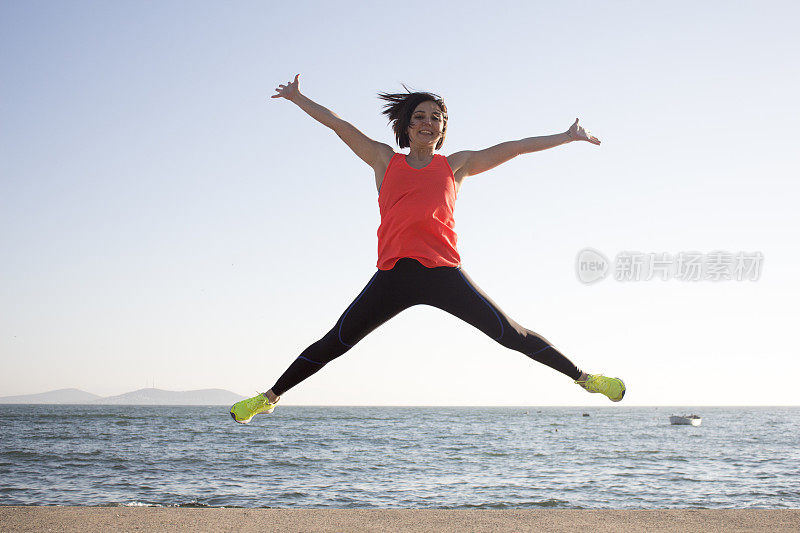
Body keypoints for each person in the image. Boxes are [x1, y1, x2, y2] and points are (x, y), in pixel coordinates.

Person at [230, 74, 624, 424]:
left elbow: (515, 146)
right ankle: (268, 399)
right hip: (393, 276)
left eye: (435, 117)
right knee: (336, 341)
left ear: (442, 128)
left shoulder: (456, 166)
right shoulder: (384, 160)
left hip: (442, 274)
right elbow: (339, 125)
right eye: (419, 116)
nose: (427, 122)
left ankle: (585, 379)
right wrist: (299, 99)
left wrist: (567, 137)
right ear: (407, 125)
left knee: (511, 334)